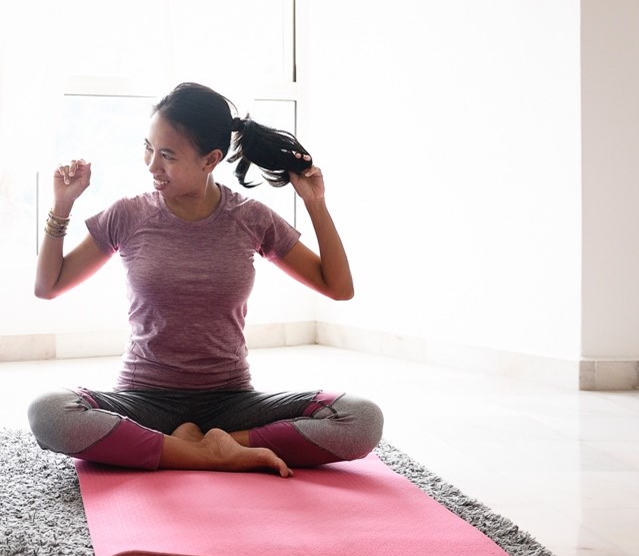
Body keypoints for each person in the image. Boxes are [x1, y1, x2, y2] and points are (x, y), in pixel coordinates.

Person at [27, 82, 382, 476]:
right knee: (48, 412)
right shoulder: (128, 215)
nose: (151, 165)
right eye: (148, 147)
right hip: (143, 399)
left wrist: (315, 204)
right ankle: (211, 453)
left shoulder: (248, 217)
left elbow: (338, 287)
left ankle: (202, 447)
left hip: (230, 403)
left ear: (210, 159)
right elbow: (49, 286)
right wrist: (62, 206)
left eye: (167, 155)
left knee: (360, 418)